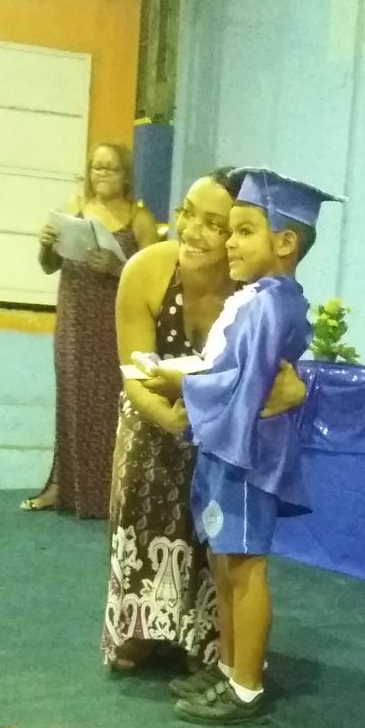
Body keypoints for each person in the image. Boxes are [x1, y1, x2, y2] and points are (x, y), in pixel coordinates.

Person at [136, 168, 338, 726]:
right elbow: (228, 368)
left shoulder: (274, 305)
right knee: (223, 562)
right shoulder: (256, 298)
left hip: (248, 451)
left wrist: (181, 381)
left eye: (245, 231)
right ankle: (228, 666)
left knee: (245, 566)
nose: (230, 242)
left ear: (286, 242)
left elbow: (244, 384)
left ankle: (247, 685)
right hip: (227, 445)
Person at [104, 169, 306, 672]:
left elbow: (281, 375)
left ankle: (214, 647)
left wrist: (294, 390)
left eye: (216, 225)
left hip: (221, 430)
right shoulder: (144, 271)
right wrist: (177, 419)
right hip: (160, 415)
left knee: (225, 549)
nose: (192, 232)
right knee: (144, 485)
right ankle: (141, 627)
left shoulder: (257, 291)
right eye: (187, 214)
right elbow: (133, 374)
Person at [23, 143, 159, 517]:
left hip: (117, 323)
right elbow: (49, 265)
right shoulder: (72, 211)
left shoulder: (140, 220)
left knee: (112, 405)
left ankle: (110, 491)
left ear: (125, 174)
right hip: (75, 320)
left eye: (111, 168)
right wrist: (45, 246)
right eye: (96, 167)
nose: (102, 174)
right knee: (71, 401)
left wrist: (116, 269)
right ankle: (63, 487)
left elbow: (155, 276)